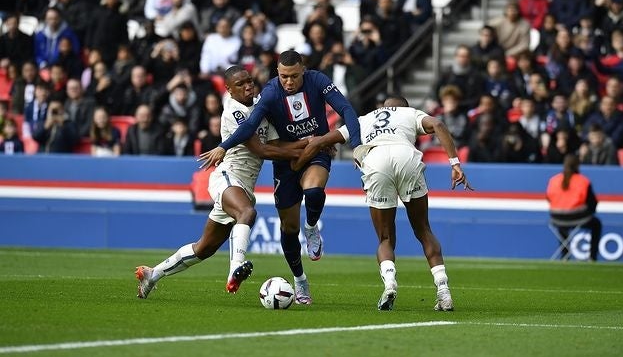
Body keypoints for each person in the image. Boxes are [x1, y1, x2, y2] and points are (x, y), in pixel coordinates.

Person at [199, 50, 362, 305]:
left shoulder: (318, 81)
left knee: (314, 191)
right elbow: (250, 126)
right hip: (285, 162)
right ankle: (300, 280)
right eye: (284, 76)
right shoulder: (271, 93)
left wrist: (358, 145)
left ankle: (311, 228)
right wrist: (224, 145)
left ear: (303, 71)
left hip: (315, 152)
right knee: (288, 227)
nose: (289, 82)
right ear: (277, 72)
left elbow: (347, 109)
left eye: (294, 76)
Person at [135, 66, 306, 299]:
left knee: (203, 248)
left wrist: (310, 144)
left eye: (249, 81)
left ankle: (152, 274)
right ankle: (235, 267)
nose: (248, 86)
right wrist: (306, 150)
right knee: (247, 213)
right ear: (228, 90)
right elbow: (260, 150)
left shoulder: (260, 108)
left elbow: (276, 146)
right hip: (227, 177)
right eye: (240, 84)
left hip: (244, 186)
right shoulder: (233, 112)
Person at [291, 95, 472, 311]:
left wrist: (297, 165)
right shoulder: (410, 113)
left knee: (385, 237)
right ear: (404, 107)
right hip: (406, 157)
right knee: (423, 230)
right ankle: (444, 293)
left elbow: (320, 141)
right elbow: (439, 124)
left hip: (376, 161)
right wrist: (455, 164)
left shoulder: (363, 119)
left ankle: (389, 285)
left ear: (383, 107)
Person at [546, 154, 601, 261]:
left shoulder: (554, 180)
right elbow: (592, 202)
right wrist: (589, 212)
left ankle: (564, 255)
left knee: (562, 227)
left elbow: (548, 198)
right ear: (578, 166)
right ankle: (592, 256)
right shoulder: (583, 181)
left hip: (556, 217)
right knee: (596, 224)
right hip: (578, 217)